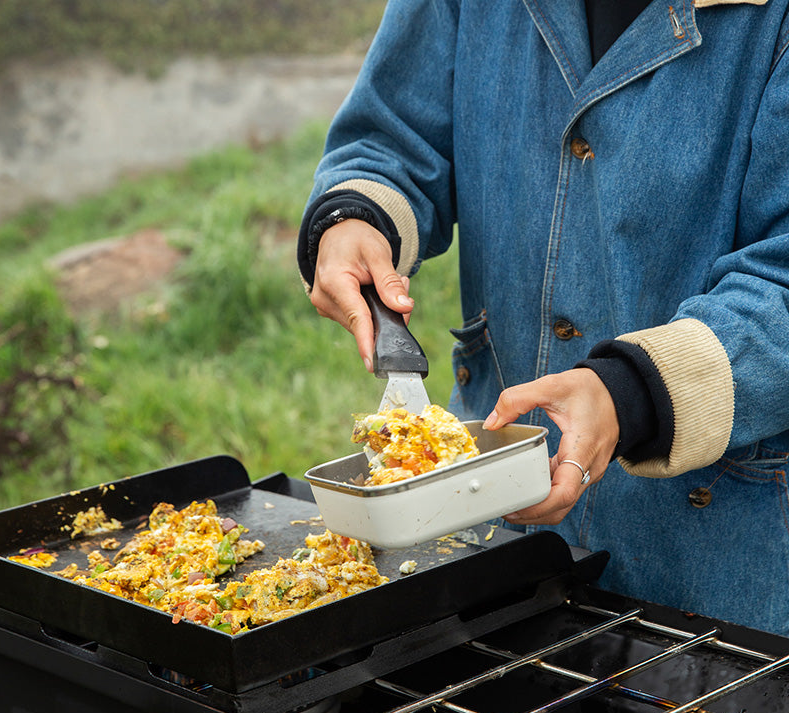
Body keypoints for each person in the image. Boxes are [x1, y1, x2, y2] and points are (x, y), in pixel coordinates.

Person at [297, 0, 789, 635]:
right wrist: (356, 217)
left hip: (716, 564)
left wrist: (630, 392)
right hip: (484, 532)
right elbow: (392, 135)